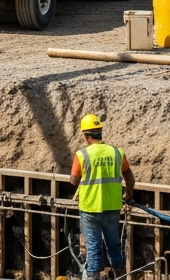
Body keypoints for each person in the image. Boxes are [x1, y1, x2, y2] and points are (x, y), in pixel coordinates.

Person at [69, 114, 134, 280]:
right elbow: (129, 177)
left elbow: (73, 180)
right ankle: (121, 277)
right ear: (100, 133)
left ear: (85, 135)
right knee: (114, 247)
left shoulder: (82, 154)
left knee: (93, 251)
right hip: (112, 208)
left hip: (90, 209)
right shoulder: (116, 152)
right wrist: (129, 195)